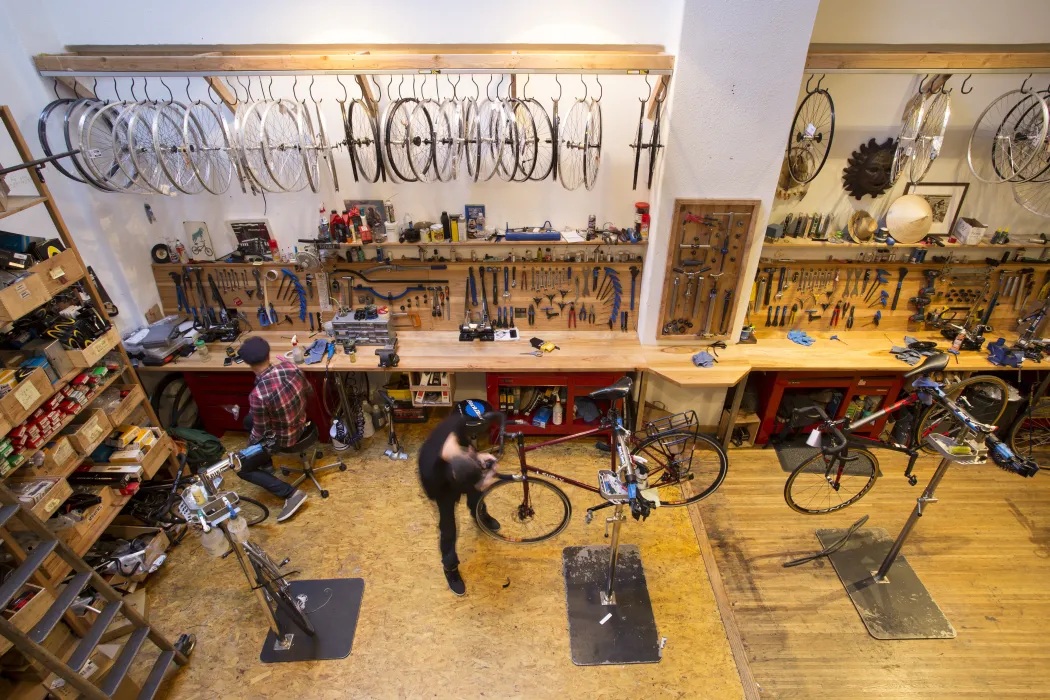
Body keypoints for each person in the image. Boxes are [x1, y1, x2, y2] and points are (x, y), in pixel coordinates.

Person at [418, 411, 504, 596]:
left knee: (477, 495)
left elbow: (466, 449)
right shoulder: (429, 474)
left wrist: (478, 456)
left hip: (457, 468)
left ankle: (480, 516)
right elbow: (463, 481)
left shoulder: (457, 423)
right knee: (448, 527)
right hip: (442, 488)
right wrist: (481, 481)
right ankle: (450, 568)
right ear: (455, 477)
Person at [237, 336, 309, 522]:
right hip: (301, 419)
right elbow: (308, 391)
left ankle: (291, 494)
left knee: (242, 467)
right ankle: (266, 463)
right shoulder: (290, 367)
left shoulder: (258, 395)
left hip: (285, 437)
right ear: (268, 354)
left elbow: (260, 433)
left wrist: (247, 451)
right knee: (248, 420)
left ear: (247, 363)